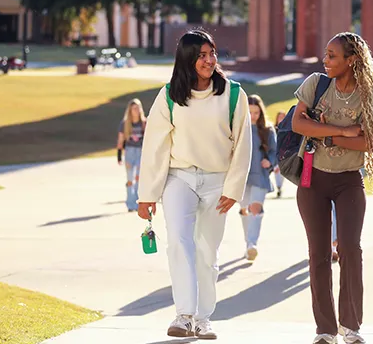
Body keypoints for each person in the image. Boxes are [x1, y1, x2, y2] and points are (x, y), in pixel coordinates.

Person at [291, 32, 373, 344]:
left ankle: (351, 326)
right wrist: (342, 131)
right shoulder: (317, 85)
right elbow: (298, 124)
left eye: (332, 56)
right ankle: (325, 330)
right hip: (312, 180)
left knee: (350, 249)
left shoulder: (370, 94)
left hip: (348, 181)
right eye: (326, 54)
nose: (325, 60)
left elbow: (370, 141)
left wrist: (326, 136)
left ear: (351, 60)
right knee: (318, 253)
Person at [136, 30, 252, 340]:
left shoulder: (233, 94)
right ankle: (183, 315)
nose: (209, 60)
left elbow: (243, 144)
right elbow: (154, 146)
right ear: (187, 58)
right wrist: (146, 195)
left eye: (212, 53)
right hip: (179, 178)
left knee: (206, 252)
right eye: (201, 55)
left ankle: (204, 319)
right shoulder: (169, 95)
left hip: (218, 183)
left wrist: (234, 189)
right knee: (179, 242)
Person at [239, 95, 277, 261]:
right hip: (241, 176)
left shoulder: (268, 130)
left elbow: (275, 151)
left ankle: (252, 244)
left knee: (255, 208)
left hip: (260, 175)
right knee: (245, 210)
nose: (253, 115)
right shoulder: (238, 128)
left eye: (256, 112)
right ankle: (248, 243)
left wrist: (269, 160)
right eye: (250, 112)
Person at [117, 98, 146, 212]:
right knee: (130, 179)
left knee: (139, 178)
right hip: (129, 151)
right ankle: (130, 204)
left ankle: (137, 203)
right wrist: (119, 156)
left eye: (137, 108)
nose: (136, 110)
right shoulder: (125, 124)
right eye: (133, 108)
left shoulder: (144, 123)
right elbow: (120, 140)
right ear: (129, 110)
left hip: (140, 151)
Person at [273, 110, 287, 198]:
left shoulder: (287, 129)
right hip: (274, 153)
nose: (281, 119)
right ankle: (277, 187)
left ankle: (279, 187)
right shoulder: (273, 129)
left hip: (283, 154)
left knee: (280, 173)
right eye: (280, 117)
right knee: (276, 171)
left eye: (283, 117)